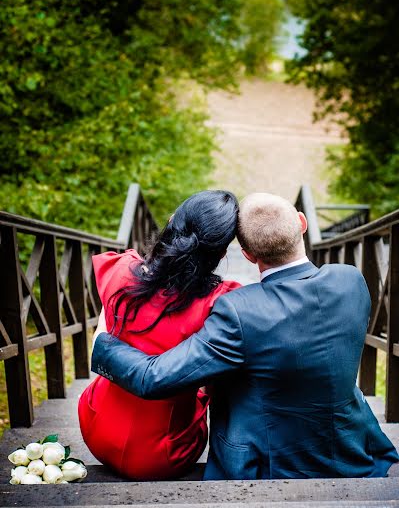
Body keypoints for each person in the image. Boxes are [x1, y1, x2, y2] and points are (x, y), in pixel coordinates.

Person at [91, 192, 399, 480]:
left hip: (265, 465)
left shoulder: (238, 309)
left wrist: (101, 342)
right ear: (302, 224)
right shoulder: (351, 281)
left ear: (248, 256)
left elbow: (154, 377)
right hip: (353, 450)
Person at [78, 190, 240, 480]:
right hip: (164, 455)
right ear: (223, 252)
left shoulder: (121, 270)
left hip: (95, 429)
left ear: (171, 221)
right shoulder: (220, 302)